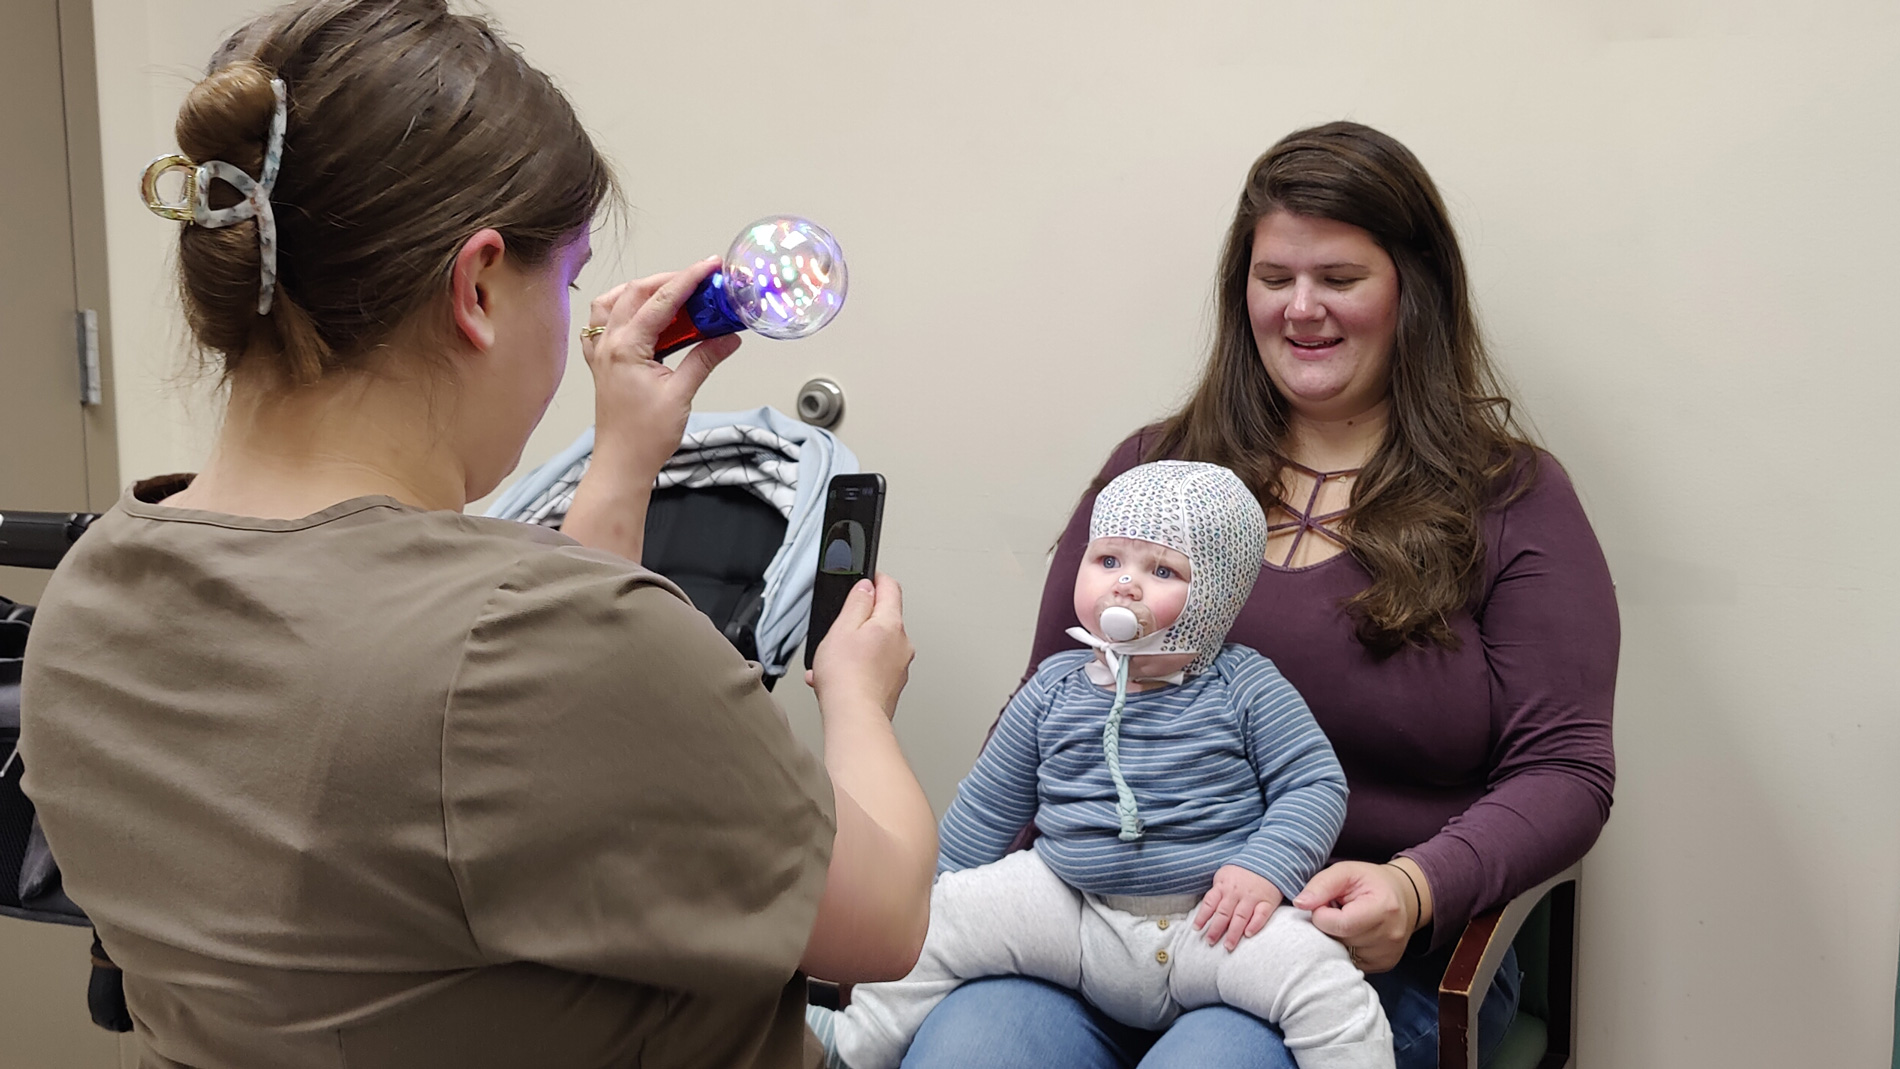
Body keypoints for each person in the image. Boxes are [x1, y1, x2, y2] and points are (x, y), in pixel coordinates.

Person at [17, 2, 936, 1067]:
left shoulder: (92, 592)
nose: (574, 318)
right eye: (571, 276)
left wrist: (625, 458)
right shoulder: (536, 647)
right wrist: (857, 701)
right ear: (479, 285)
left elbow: (500, 753)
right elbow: (882, 919)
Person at [900, 122, 1619, 1069]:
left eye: (1340, 278)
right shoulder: (1155, 473)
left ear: (1414, 289)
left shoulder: (1511, 497)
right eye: (1274, 278)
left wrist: (1414, 888)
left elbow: (1566, 771)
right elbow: (1051, 707)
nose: (1302, 309)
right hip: (1095, 928)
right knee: (968, 1049)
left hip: (1349, 964)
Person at [808, 461, 1391, 1069]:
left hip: (1211, 923)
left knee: (1325, 984)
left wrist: (1265, 868)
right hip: (1069, 908)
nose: (1125, 585)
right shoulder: (1054, 688)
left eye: (1161, 569)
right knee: (933, 925)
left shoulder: (1244, 686)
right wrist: (917, 891)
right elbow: (986, 810)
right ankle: (849, 1047)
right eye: (1108, 561)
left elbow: (1314, 784)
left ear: (1216, 591)